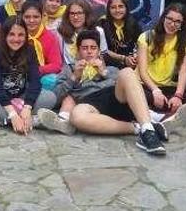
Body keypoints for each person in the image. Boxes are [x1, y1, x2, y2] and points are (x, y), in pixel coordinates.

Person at [38, 30, 168, 154]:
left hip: (115, 98)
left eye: (93, 48)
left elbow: (128, 86)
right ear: (78, 52)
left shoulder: (110, 69)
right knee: (77, 116)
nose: (89, 52)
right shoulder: (68, 70)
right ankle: (141, 129)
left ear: (99, 51)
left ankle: (148, 127)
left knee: (127, 72)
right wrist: (74, 78)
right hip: (90, 104)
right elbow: (57, 96)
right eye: (84, 48)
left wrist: (104, 73)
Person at [0, 16, 57, 133]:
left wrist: (27, 107)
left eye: (21, 35)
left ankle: (0, 120)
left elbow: (35, 81)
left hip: (21, 98)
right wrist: (12, 114)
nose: (16, 39)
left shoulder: (29, 50)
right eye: (11, 34)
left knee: (50, 97)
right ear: (5, 35)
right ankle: (31, 120)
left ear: (25, 36)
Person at [136, 4, 186, 113]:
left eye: (177, 21)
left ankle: (161, 108)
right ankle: (156, 109)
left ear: (182, 24)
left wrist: (178, 96)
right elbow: (142, 71)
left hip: (167, 86)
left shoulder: (185, 41)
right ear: (163, 19)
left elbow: (183, 71)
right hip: (145, 85)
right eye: (169, 19)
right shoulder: (146, 37)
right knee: (137, 94)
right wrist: (155, 91)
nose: (172, 24)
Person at [20, 0, 63, 91]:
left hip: (41, 76)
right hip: (18, 76)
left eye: (36, 17)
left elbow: (56, 65)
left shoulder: (50, 37)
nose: (31, 20)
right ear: (21, 17)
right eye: (27, 17)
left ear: (42, 17)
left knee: (53, 80)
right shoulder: (16, 35)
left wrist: (35, 70)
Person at [100, 0, 142, 70]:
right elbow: (101, 50)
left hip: (130, 61)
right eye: (113, 7)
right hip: (108, 64)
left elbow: (141, 44)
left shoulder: (133, 23)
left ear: (126, 8)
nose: (117, 10)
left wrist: (135, 57)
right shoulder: (102, 23)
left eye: (121, 6)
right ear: (108, 10)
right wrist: (124, 59)